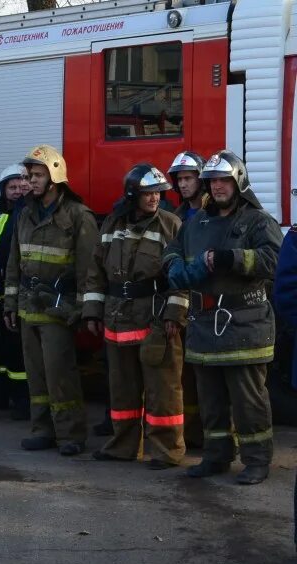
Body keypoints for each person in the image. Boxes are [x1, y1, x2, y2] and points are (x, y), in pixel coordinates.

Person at [163, 150, 282, 484]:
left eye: (223, 180)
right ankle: (216, 456)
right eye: (212, 181)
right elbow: (173, 248)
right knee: (210, 399)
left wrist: (232, 258)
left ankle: (257, 460)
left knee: (248, 400)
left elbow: (274, 260)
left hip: (244, 323)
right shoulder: (195, 222)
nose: (217, 187)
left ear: (238, 182)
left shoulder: (258, 221)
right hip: (204, 325)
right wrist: (172, 265)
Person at [83, 164, 187, 469]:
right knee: (122, 388)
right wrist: (92, 309)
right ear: (132, 195)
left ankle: (167, 450)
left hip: (155, 319)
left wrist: (175, 312)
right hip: (117, 318)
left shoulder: (171, 225)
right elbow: (96, 271)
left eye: (158, 192)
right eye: (147, 193)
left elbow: (181, 276)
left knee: (163, 388)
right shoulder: (112, 225)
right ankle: (123, 446)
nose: (154, 198)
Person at [4, 145, 98, 455]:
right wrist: (10, 303)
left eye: (37, 175)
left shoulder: (78, 215)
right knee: (37, 377)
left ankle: (71, 434)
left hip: (60, 308)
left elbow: (89, 267)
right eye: (29, 175)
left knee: (61, 375)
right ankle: (42, 429)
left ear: (54, 176)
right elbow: (14, 262)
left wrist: (87, 310)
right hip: (30, 307)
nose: (30, 181)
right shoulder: (25, 213)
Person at [167, 150, 208, 448]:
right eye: (179, 179)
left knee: (210, 377)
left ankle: (213, 435)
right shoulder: (177, 217)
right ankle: (193, 435)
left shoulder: (214, 213)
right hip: (184, 304)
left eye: (189, 178)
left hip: (210, 305)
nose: (183, 184)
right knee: (186, 377)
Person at [0, 165, 29, 420]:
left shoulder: (27, 214)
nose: (15, 192)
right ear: (2, 189)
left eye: (19, 187)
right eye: (10, 187)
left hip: (15, 292)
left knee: (17, 351)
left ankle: (22, 401)